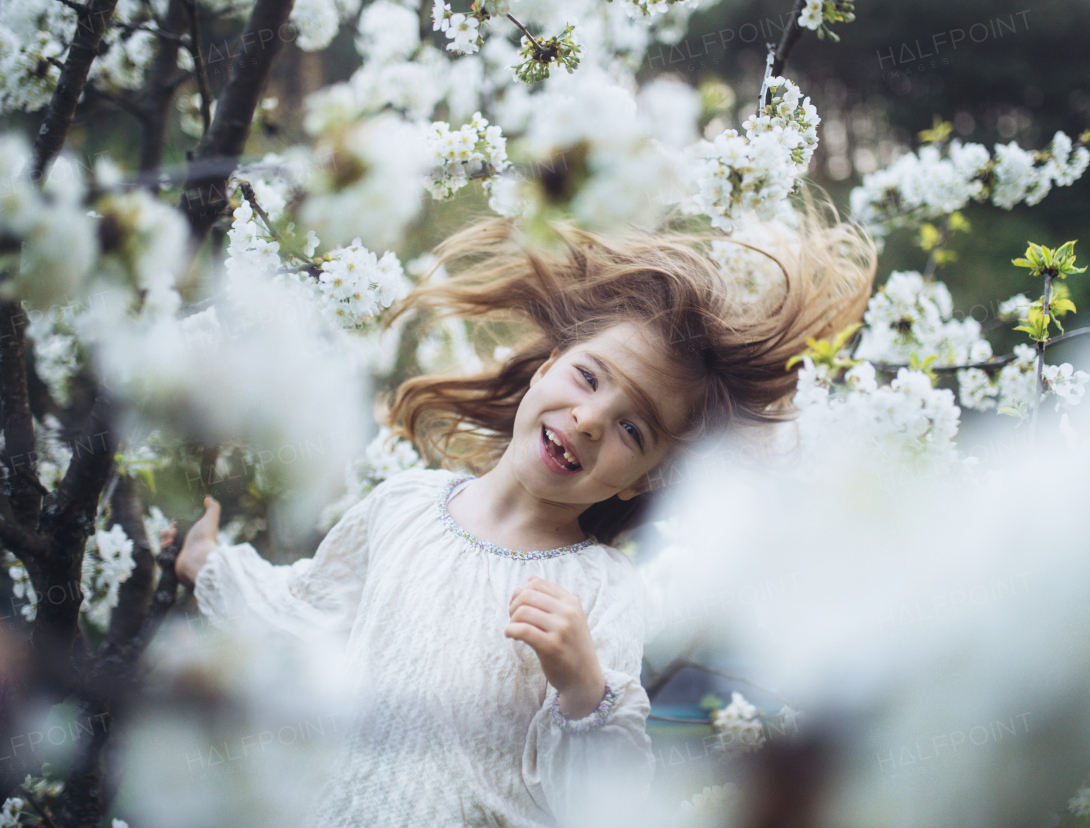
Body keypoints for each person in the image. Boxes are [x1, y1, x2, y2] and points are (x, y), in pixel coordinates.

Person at [165, 198, 875, 828]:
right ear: (545, 367)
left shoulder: (600, 591)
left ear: (640, 481)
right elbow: (306, 618)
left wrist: (582, 688)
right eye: (587, 377)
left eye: (634, 429)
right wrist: (210, 566)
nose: (592, 419)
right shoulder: (402, 507)